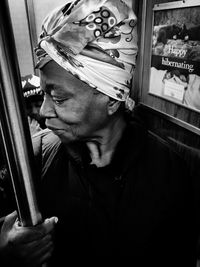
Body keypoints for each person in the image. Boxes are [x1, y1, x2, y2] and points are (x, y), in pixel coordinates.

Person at [0, 1, 199, 266]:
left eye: (58, 98)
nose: (44, 111)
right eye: (44, 93)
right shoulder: (31, 162)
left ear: (112, 99)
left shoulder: (170, 172)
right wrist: (5, 248)